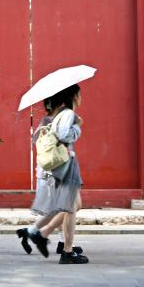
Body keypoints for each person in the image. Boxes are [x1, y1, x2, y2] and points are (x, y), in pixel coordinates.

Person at [15, 84, 88, 264]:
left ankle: (44, 235)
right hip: (63, 165)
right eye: (79, 94)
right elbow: (64, 136)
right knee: (69, 206)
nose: (81, 98)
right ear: (72, 96)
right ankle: (61, 247)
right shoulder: (68, 114)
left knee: (72, 205)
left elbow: (37, 140)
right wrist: (77, 127)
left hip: (56, 166)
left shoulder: (52, 117)